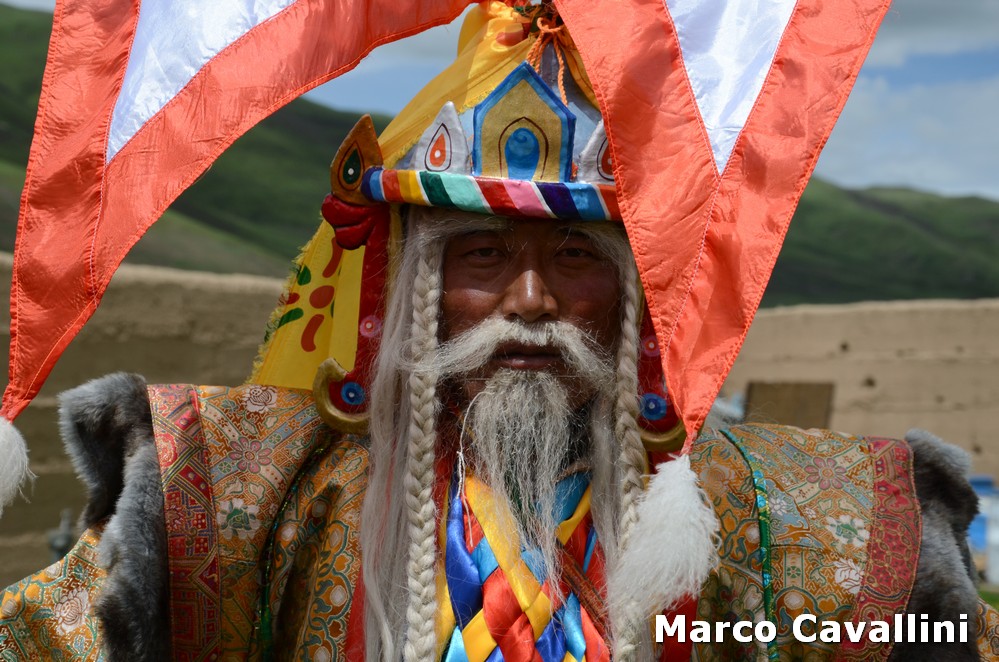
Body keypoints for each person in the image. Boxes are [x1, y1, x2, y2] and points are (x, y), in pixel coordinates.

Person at [0, 2, 995, 660]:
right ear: (415, 284)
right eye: (480, 255)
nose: (529, 299)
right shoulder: (259, 487)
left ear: (633, 295)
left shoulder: (764, 510)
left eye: (574, 257)